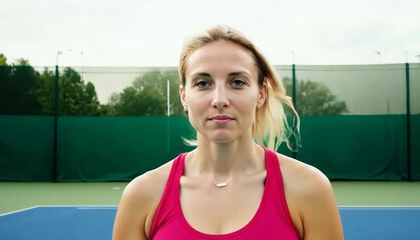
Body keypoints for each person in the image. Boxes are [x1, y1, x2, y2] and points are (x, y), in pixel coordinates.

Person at [112, 25, 344, 240]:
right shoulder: (142, 195)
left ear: (261, 93)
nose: (220, 100)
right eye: (203, 83)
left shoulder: (309, 188)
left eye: (237, 82)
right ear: (184, 96)